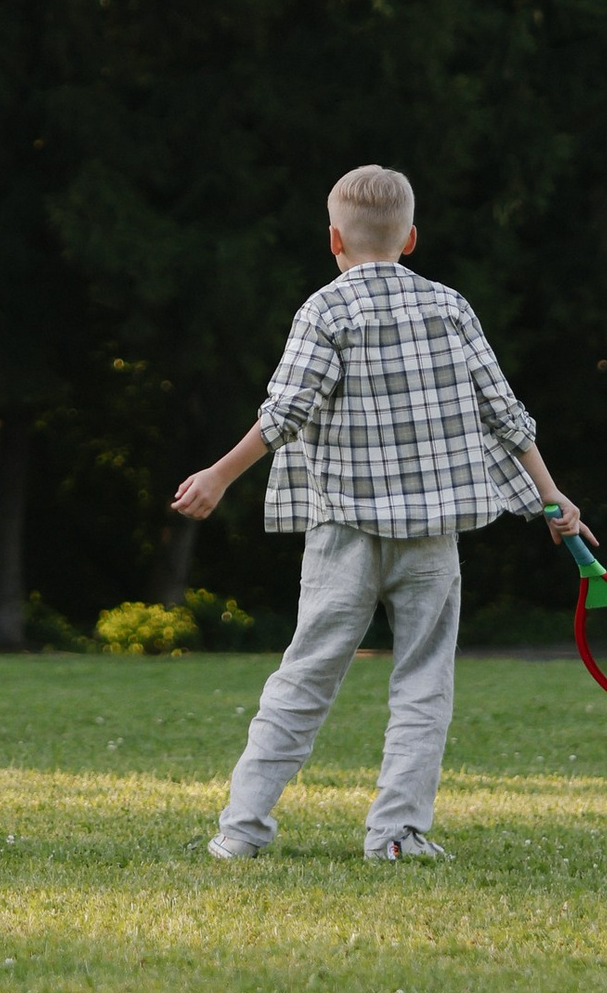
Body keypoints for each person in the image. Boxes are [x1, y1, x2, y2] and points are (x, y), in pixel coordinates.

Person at [170, 162, 580, 862]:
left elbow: (286, 412)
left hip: (344, 535)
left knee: (303, 678)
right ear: (411, 237)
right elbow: (505, 415)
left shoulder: (325, 310)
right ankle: (396, 834)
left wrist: (218, 474)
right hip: (432, 539)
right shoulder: (450, 307)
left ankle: (241, 830)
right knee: (425, 682)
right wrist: (551, 495)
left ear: (333, 238)